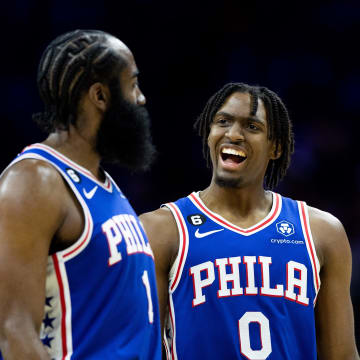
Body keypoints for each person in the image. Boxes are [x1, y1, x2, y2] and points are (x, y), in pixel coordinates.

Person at [140, 82, 359, 359]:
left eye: (252, 127)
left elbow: (342, 355)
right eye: (223, 122)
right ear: (209, 135)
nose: (233, 134)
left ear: (276, 147)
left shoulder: (321, 232)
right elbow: (140, 349)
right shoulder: (162, 230)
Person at [0, 30, 161, 359]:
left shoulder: (105, 186)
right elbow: (14, 333)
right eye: (132, 84)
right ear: (100, 95)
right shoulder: (33, 181)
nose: (141, 98)